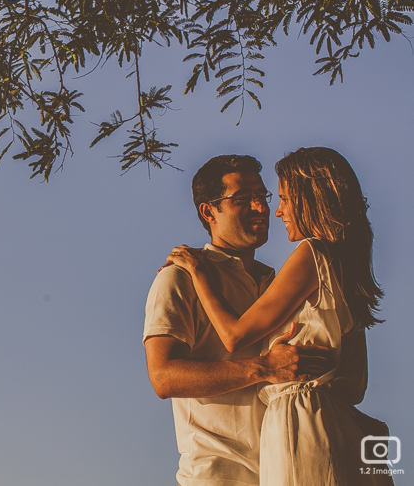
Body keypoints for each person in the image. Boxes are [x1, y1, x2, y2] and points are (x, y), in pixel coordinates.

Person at [167, 147, 392, 485]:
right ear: (208, 211)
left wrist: (199, 271)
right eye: (247, 198)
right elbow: (354, 381)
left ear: (309, 198)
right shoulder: (343, 265)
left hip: (300, 422)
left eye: (281, 198)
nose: (277, 211)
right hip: (328, 420)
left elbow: (234, 335)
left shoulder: (312, 254)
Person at [144, 154, 334, 486]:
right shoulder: (179, 279)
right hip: (218, 473)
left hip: (288, 468)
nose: (261, 209)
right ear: (209, 211)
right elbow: (163, 377)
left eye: (263, 197)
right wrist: (264, 367)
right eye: (242, 200)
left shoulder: (279, 285)